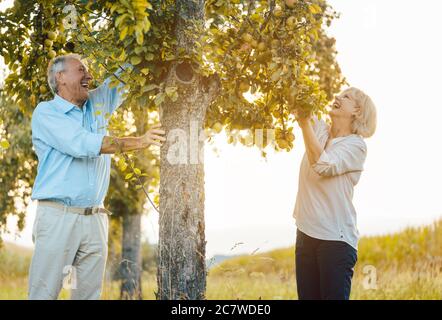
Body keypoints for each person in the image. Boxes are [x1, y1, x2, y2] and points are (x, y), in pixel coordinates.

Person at [28, 54, 166, 300]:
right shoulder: (46, 113)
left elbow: (127, 72)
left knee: (87, 296)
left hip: (94, 220)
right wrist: (140, 141)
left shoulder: (98, 102)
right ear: (60, 77)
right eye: (81, 70)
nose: (88, 75)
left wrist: (142, 33)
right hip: (59, 219)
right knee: (44, 294)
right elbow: (83, 144)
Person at [293, 87, 377, 300]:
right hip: (305, 234)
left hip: (335, 242)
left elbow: (322, 165)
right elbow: (295, 94)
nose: (337, 97)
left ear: (357, 111)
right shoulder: (320, 130)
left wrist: (304, 125)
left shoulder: (356, 146)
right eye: (339, 94)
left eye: (346, 97)